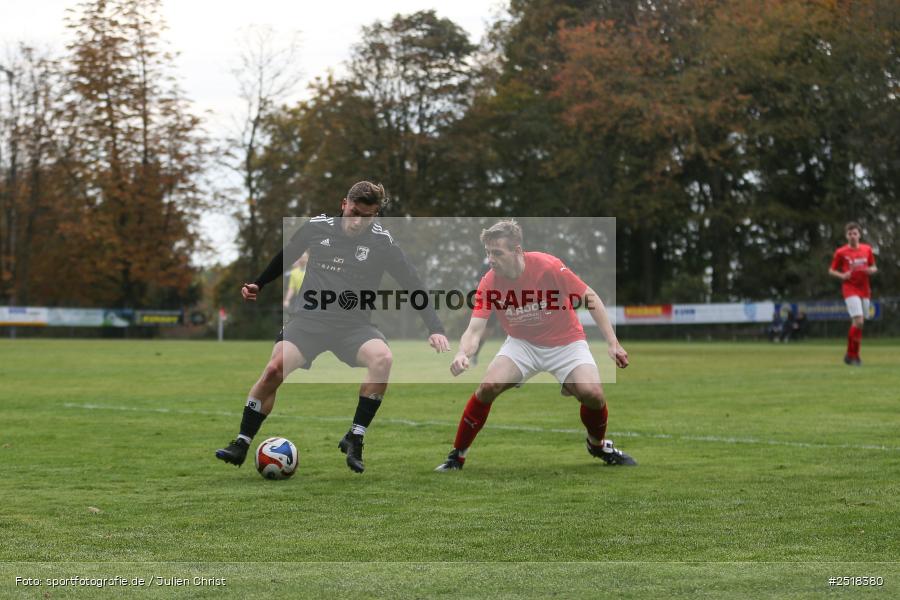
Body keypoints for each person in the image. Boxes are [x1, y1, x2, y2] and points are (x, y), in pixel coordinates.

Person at [216, 181, 451, 473]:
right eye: (354, 212)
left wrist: (435, 327)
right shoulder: (317, 227)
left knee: (383, 358)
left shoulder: (382, 242)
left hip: (353, 327)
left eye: (367, 216)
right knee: (274, 369)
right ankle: (241, 442)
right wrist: (259, 283)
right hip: (309, 321)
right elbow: (287, 254)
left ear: (376, 215)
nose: (358, 221)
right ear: (344, 204)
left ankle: (355, 437)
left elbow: (412, 283)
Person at [435, 219, 635, 471]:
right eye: (488, 253)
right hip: (522, 344)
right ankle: (457, 456)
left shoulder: (548, 266)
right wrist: (462, 353)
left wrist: (612, 342)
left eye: (497, 253)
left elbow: (590, 298)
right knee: (488, 386)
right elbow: (475, 329)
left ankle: (597, 445)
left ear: (517, 250)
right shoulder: (490, 282)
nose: (491, 259)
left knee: (593, 395)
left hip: (566, 342)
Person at [828, 222, 877, 366]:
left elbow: (874, 266)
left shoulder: (867, 249)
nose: (852, 236)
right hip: (850, 288)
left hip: (865, 289)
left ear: (859, 235)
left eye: (855, 233)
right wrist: (842, 275)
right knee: (859, 321)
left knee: (858, 324)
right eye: (850, 234)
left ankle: (850, 355)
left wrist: (871, 270)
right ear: (846, 236)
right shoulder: (841, 252)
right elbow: (831, 270)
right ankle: (854, 356)